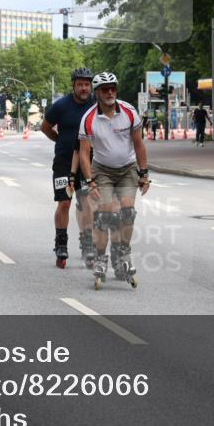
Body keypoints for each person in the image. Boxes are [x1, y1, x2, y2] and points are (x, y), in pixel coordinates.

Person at [78, 71, 149, 289]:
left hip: (127, 169)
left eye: (113, 89)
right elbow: (83, 153)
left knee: (127, 213)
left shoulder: (128, 112)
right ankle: (101, 257)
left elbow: (138, 144)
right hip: (103, 171)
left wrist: (144, 173)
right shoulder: (89, 118)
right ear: (97, 93)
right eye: (105, 90)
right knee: (105, 216)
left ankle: (123, 254)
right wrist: (90, 181)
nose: (110, 93)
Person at [41, 67, 97, 269]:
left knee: (86, 202)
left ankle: (87, 243)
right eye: (80, 84)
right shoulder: (61, 106)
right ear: (73, 85)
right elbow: (45, 127)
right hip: (64, 161)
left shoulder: (95, 105)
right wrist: (60, 141)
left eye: (87, 84)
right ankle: (61, 243)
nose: (84, 88)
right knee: (64, 203)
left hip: (88, 162)